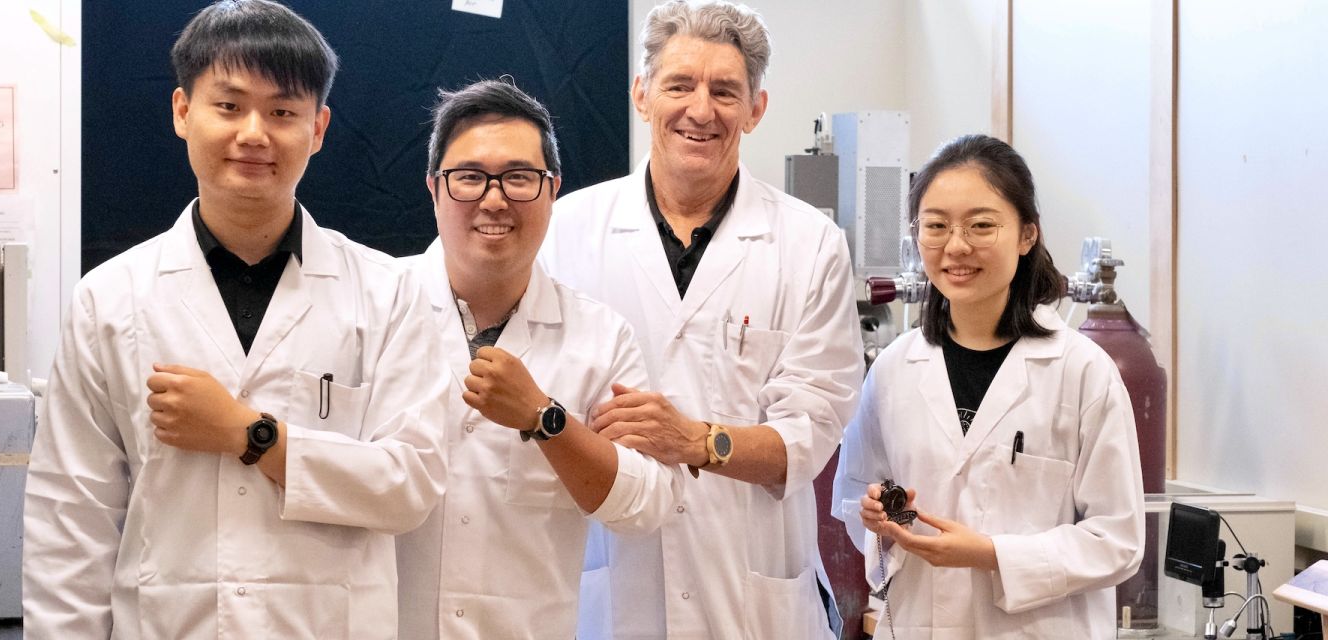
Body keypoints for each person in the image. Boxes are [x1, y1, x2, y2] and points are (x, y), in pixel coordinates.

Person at [21, 2, 449, 637]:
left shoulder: (389, 294)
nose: (255, 133)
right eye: (228, 105)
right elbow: (71, 519)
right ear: (181, 111)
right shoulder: (110, 300)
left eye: (282, 111)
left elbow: (409, 485)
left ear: (320, 127)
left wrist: (251, 435)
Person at [540, 2, 864, 637]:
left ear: (755, 109)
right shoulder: (565, 231)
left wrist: (693, 441)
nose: (701, 109)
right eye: (679, 84)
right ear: (641, 95)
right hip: (607, 582)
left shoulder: (810, 244)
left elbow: (811, 433)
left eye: (725, 91)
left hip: (748, 595)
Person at [394, 78, 683, 639]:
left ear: (552, 189)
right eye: (470, 177)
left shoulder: (600, 337)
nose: (495, 198)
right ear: (433, 188)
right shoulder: (374, 307)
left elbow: (647, 504)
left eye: (519, 178)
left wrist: (545, 419)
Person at [831, 134, 1145, 639]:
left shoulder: (1082, 371)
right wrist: (878, 512)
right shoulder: (893, 368)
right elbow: (854, 494)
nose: (956, 246)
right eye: (936, 226)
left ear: (1026, 235)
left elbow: (1119, 540)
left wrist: (991, 555)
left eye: (981, 225)